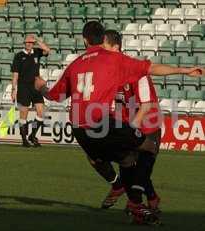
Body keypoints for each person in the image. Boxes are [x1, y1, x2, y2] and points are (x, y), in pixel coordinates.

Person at [34, 21, 204, 225]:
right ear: (103, 38)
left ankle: (128, 196)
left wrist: (42, 87)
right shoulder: (113, 59)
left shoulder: (75, 64)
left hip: (80, 130)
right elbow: (152, 68)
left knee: (122, 158)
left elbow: (55, 95)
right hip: (102, 124)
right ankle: (136, 200)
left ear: (84, 39)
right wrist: (184, 71)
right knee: (146, 147)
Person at [89, 30, 162, 213]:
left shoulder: (134, 69)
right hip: (125, 125)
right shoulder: (105, 71)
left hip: (148, 127)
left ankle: (146, 201)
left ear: (116, 48)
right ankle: (123, 190)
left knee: (140, 173)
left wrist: (130, 131)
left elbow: (147, 106)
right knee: (95, 155)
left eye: (104, 47)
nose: (101, 51)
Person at [11, 34, 50, 147]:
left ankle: (32, 134)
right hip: (23, 87)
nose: (28, 44)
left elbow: (47, 50)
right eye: (27, 42)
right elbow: (15, 75)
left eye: (31, 42)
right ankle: (24, 140)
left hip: (35, 87)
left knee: (40, 112)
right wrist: (13, 90)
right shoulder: (19, 56)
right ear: (24, 43)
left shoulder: (37, 52)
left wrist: (37, 40)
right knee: (24, 114)